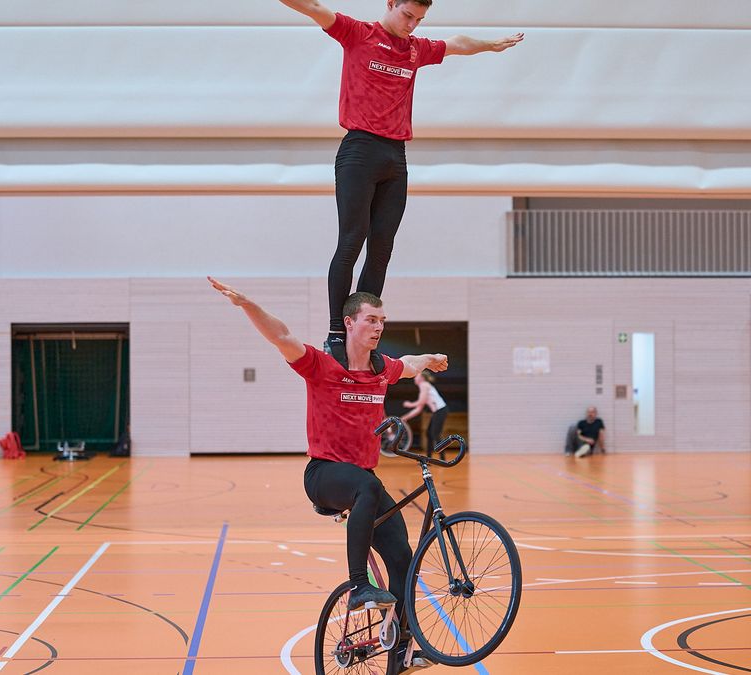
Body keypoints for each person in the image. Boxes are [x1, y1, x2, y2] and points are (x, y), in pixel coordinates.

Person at [207, 277, 447, 670]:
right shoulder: (322, 364)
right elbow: (280, 335)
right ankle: (358, 585)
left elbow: (409, 365)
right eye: (371, 320)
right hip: (324, 476)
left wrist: (430, 358)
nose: (379, 327)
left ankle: (400, 649)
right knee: (367, 487)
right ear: (349, 323)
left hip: (363, 480)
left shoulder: (381, 369)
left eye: (382, 321)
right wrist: (246, 303)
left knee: (404, 559)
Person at [275, 0, 523, 368]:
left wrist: (491, 44)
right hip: (359, 150)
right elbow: (313, 7)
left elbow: (456, 43)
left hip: (396, 157)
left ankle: (363, 333)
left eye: (419, 20)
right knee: (351, 241)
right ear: (390, 3)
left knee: (382, 249)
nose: (412, 25)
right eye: (408, 15)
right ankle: (336, 334)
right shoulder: (358, 34)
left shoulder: (415, 49)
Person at [400, 371, 448, 457]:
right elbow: (419, 409)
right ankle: (429, 458)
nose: (414, 378)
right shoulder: (423, 386)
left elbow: (420, 402)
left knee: (435, 434)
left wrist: (409, 404)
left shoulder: (424, 385)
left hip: (441, 410)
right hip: (437, 411)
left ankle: (443, 458)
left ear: (421, 378)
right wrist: (406, 417)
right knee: (429, 433)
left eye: (416, 376)